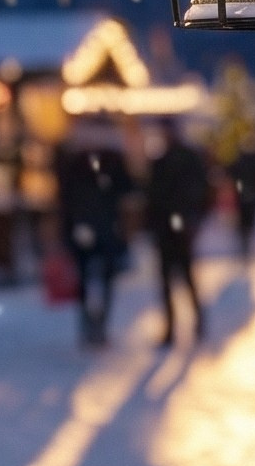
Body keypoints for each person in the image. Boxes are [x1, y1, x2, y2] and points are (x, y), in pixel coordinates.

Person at [54, 122, 133, 346]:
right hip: (100, 227)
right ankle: (93, 325)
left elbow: (65, 197)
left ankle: (93, 325)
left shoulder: (80, 162)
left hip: (93, 226)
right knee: (95, 278)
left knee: (92, 278)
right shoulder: (101, 162)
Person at [144, 125, 212, 345]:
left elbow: (200, 191)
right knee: (177, 278)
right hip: (172, 227)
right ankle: (181, 324)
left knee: (181, 278)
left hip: (177, 226)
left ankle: (188, 323)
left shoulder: (178, 160)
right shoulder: (166, 160)